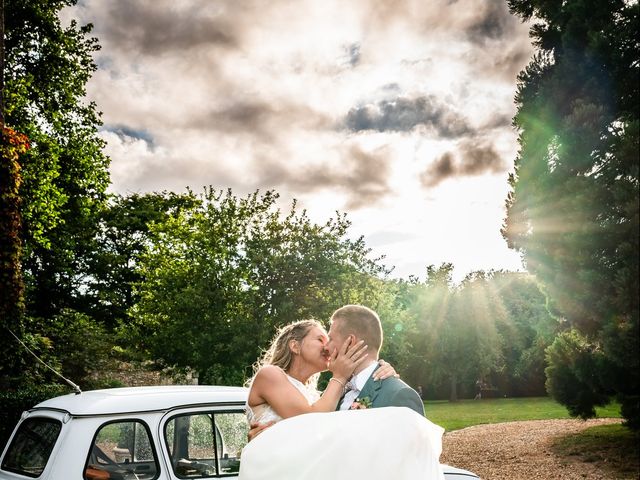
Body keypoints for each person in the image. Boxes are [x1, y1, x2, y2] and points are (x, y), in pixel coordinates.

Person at [238, 307, 445, 480]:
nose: (327, 346)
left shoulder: (396, 395)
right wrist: (268, 441)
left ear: (350, 341)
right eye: (320, 339)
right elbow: (314, 426)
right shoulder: (327, 393)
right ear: (295, 346)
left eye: (328, 338)